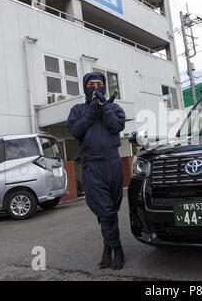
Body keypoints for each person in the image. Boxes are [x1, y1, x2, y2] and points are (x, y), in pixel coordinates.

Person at [67, 72, 126, 270]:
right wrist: (92, 110)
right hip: (92, 166)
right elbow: (76, 131)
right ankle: (117, 248)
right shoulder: (77, 110)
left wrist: (105, 107)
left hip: (113, 163)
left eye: (99, 84)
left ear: (104, 87)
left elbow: (116, 126)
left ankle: (106, 248)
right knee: (105, 210)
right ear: (85, 87)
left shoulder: (115, 107)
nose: (95, 87)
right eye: (91, 84)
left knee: (111, 208)